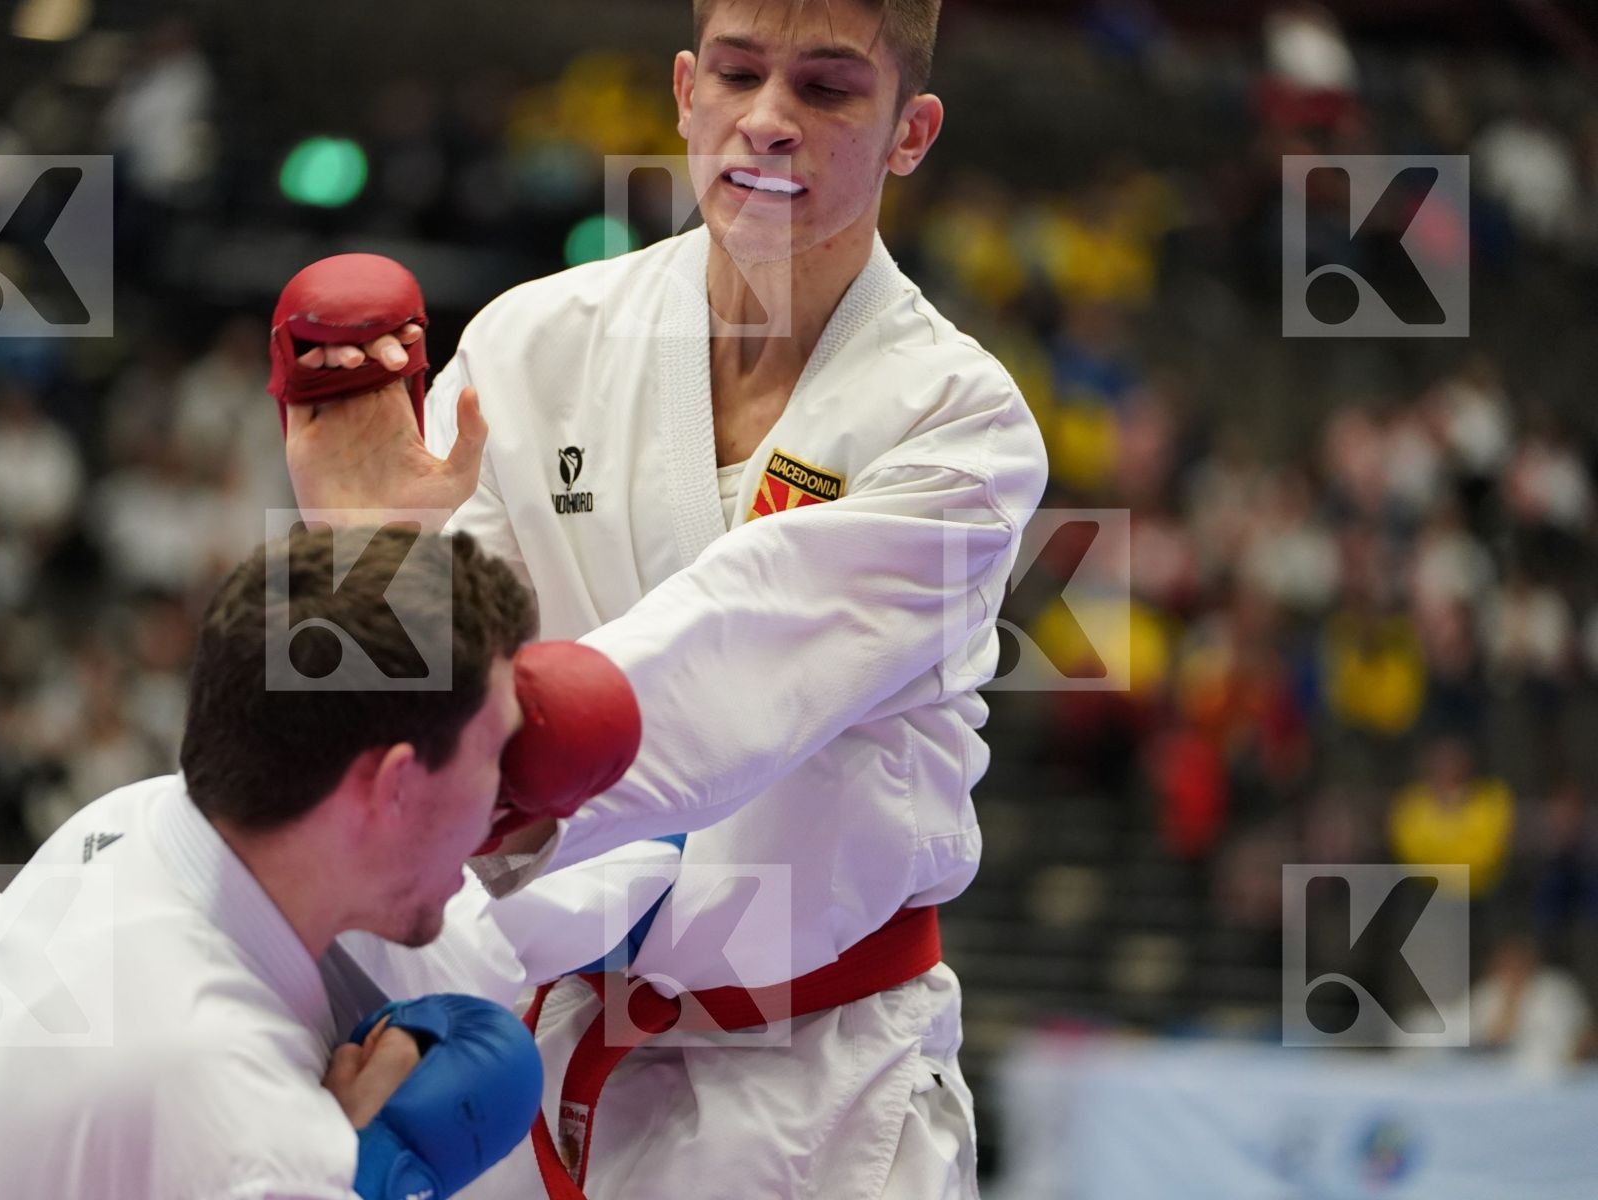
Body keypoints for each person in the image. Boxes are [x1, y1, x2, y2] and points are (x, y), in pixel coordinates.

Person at [275, 0, 1049, 1195]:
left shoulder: (960, 424)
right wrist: (374, 557)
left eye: (830, 90)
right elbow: (418, 690)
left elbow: (735, 657)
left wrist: (474, 772)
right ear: (685, 91)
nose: (769, 122)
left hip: (817, 1085)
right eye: (738, 74)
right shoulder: (531, 347)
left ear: (912, 131)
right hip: (526, 1047)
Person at [0, 526, 649, 1200]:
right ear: (392, 786)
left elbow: (497, 926)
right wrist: (367, 1172)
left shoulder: (119, 826)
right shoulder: (253, 1132)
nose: (505, 805)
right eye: (491, 757)